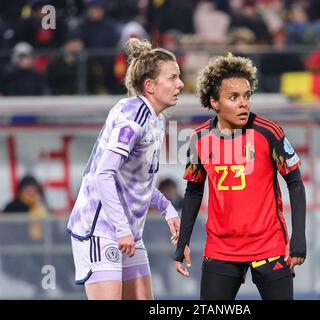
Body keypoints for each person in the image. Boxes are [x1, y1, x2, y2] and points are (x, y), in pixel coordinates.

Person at [174, 53, 306, 300]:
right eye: (233, 97)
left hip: (269, 245)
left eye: (247, 96)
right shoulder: (198, 139)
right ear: (214, 102)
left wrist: (298, 237)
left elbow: (295, 183)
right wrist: (183, 243)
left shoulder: (270, 132)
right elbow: (193, 191)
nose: (244, 103)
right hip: (221, 249)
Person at [67, 38, 185, 300]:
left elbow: (137, 180)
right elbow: (104, 174)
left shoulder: (157, 119)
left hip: (127, 231)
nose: (181, 84)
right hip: (100, 229)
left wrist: (167, 208)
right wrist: (121, 229)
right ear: (150, 85)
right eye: (173, 77)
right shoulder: (133, 117)